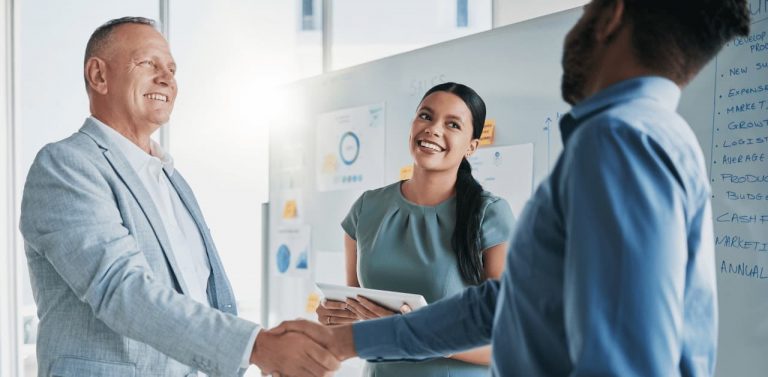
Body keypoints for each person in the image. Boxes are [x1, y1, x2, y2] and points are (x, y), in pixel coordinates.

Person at [271, 0, 751, 375]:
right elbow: (506, 304)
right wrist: (349, 341)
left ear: (611, 17)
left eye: (585, 11)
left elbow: (625, 358)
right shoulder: (653, 136)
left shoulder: (619, 142)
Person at [19, 17, 338, 377]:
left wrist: (262, 353)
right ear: (99, 76)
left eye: (171, 69)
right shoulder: (65, 166)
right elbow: (121, 290)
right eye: (148, 64)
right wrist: (258, 347)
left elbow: (200, 298)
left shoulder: (171, 179)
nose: (166, 78)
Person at [315, 82, 515, 376]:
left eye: (453, 124)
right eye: (426, 116)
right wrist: (333, 317)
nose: (433, 129)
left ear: (472, 146)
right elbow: (354, 310)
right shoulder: (366, 208)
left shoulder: (490, 214)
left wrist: (421, 333)